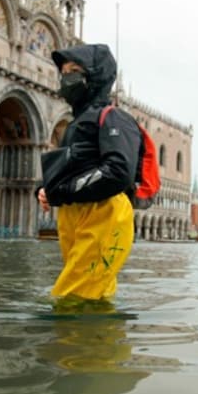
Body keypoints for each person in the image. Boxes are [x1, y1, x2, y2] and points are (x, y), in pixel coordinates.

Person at [37, 44, 141, 302]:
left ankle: (78, 342)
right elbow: (72, 166)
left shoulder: (114, 117)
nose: (66, 78)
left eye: (74, 71)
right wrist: (45, 189)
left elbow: (118, 171)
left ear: (95, 75)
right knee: (93, 294)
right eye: (63, 72)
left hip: (103, 213)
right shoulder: (75, 124)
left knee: (74, 297)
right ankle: (98, 341)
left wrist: (62, 192)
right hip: (76, 214)